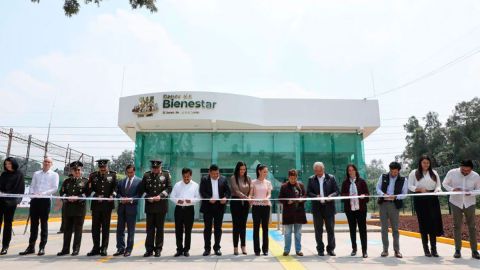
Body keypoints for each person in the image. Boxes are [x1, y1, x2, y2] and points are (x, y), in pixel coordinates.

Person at [19, 157, 59, 256]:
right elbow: (32, 185)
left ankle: (42, 247)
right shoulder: (36, 173)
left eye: (49, 162)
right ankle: (31, 247)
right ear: (43, 162)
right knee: (33, 225)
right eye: (45, 161)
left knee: (44, 225)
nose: (46, 163)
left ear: (51, 164)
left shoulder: (54, 175)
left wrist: (44, 193)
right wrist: (32, 193)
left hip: (45, 201)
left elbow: (55, 188)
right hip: (35, 200)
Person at [442, 160, 480, 259]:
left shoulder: (476, 176)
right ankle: (457, 250)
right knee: (456, 226)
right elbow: (444, 183)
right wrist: (452, 190)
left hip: (470, 203)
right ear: (460, 167)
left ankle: (474, 251)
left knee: (472, 227)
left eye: (468, 171)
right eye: (463, 170)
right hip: (455, 203)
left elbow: (479, 189)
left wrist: (471, 192)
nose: (465, 172)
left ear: (471, 169)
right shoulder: (452, 172)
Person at [408, 155, 443, 257]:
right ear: (420, 163)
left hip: (432, 199)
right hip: (420, 199)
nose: (426, 165)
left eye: (427, 163)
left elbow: (438, 185)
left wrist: (437, 190)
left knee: (433, 223)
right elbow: (410, 186)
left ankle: (434, 249)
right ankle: (426, 249)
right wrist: (419, 189)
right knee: (423, 224)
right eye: (424, 163)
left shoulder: (434, 173)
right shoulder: (414, 173)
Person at [139, 160, 172, 257]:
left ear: (160, 167)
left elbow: (169, 188)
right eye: (154, 168)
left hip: (161, 206)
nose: (155, 169)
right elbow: (142, 189)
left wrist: (161, 196)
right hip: (150, 206)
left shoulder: (166, 175)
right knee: (149, 229)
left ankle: (158, 249)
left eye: (157, 168)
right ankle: (149, 249)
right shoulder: (146, 175)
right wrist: (147, 197)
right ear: (151, 168)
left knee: (160, 229)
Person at [376, 161, 408, 258]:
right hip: (383, 205)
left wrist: (396, 197)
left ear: (399, 171)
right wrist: (383, 195)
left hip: (394, 205)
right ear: (389, 170)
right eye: (392, 171)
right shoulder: (383, 176)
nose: (393, 173)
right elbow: (377, 188)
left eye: (395, 172)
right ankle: (385, 250)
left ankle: (397, 251)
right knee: (384, 229)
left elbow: (405, 194)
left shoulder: (403, 180)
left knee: (395, 229)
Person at [307, 162, 339, 256]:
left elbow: (337, 191)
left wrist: (331, 195)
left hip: (329, 207)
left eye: (320, 170)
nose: (318, 173)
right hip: (317, 208)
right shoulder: (311, 179)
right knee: (318, 230)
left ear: (323, 169)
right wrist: (315, 196)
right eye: (316, 171)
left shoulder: (331, 178)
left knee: (330, 229)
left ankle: (331, 249)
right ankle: (320, 249)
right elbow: (308, 192)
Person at [87, 159, 118, 256]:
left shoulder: (112, 175)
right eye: (101, 167)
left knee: (105, 228)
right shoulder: (93, 176)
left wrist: (112, 195)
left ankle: (104, 248)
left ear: (107, 166)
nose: (102, 169)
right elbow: (89, 189)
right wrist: (96, 196)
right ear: (98, 167)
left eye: (104, 167)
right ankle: (95, 248)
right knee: (95, 228)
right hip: (96, 206)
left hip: (107, 206)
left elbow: (115, 187)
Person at [57, 161, 88, 256]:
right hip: (68, 208)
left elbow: (87, 193)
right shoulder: (67, 181)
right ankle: (65, 249)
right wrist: (67, 198)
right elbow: (62, 192)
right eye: (75, 170)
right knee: (67, 230)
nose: (77, 171)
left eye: (78, 170)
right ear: (72, 171)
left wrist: (78, 198)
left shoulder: (85, 181)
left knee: (78, 230)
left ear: (81, 170)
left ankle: (76, 249)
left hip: (79, 209)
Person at [199, 164, 231, 256]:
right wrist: (209, 198)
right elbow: (202, 191)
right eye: (213, 174)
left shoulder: (223, 179)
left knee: (218, 229)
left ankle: (217, 248)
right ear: (209, 172)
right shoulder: (204, 179)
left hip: (219, 206)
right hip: (208, 206)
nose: (216, 175)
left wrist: (225, 198)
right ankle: (207, 249)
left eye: (217, 173)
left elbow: (228, 191)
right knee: (207, 229)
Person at [340, 164, 369, 258]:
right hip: (350, 210)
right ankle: (354, 249)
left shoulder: (362, 181)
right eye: (349, 170)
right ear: (347, 172)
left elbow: (367, 195)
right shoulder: (345, 183)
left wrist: (363, 196)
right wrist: (349, 195)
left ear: (356, 171)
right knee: (352, 230)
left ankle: (364, 251)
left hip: (361, 209)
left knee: (362, 230)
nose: (351, 172)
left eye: (352, 170)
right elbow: (342, 196)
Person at [170, 168, 200, 257]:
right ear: (182, 175)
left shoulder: (195, 185)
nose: (186, 178)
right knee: (178, 230)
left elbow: (198, 197)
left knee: (188, 231)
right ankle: (179, 249)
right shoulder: (177, 185)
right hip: (179, 209)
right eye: (184, 176)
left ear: (191, 175)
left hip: (189, 209)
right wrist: (177, 201)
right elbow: (172, 196)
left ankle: (186, 249)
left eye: (188, 176)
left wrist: (190, 201)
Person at [113, 164, 141, 257]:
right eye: (128, 172)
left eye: (131, 172)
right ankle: (120, 248)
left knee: (130, 230)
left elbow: (140, 195)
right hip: (121, 209)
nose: (130, 174)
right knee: (120, 230)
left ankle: (128, 249)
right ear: (126, 172)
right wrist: (121, 198)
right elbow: (117, 193)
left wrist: (131, 199)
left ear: (134, 171)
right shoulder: (121, 181)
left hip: (131, 209)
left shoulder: (139, 181)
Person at [0, 157, 25, 255]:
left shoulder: (19, 175)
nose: (7, 165)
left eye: (9, 164)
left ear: (13, 164)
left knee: (7, 224)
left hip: (10, 203)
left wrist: (16, 201)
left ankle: (5, 246)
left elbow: (20, 190)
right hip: (1, 201)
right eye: (6, 164)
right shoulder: (3, 174)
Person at [279, 169, 306, 257]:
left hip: (299, 213)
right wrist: (287, 202)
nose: (293, 180)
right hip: (288, 213)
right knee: (287, 233)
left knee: (298, 233)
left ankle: (298, 250)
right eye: (291, 178)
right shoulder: (284, 186)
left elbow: (305, 196)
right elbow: (280, 198)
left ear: (296, 177)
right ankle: (286, 250)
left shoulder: (300, 185)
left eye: (294, 178)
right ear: (288, 177)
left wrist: (302, 199)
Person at [250, 164, 273, 256]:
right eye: (264, 172)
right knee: (256, 228)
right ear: (259, 171)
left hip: (266, 206)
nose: (266, 173)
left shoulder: (268, 183)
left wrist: (266, 198)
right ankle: (256, 250)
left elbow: (269, 194)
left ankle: (265, 249)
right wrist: (250, 198)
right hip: (256, 207)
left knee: (265, 229)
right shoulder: (253, 182)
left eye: (266, 172)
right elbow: (251, 194)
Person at [229, 161, 251, 255]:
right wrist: (245, 197)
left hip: (245, 204)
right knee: (236, 225)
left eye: (244, 169)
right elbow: (236, 190)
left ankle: (243, 246)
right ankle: (235, 247)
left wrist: (249, 197)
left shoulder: (248, 178)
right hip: (236, 202)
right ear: (237, 169)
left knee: (243, 225)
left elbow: (251, 189)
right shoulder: (233, 178)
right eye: (241, 169)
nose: (242, 171)